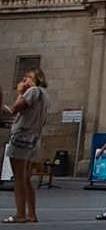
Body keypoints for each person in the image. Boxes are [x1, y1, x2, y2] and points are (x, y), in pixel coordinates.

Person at [1, 67, 50, 225]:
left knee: (19, 178)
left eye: (28, 77)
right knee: (26, 178)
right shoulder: (45, 95)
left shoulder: (33, 91)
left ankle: (20, 214)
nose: (24, 81)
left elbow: (14, 110)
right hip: (33, 138)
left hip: (22, 137)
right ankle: (31, 214)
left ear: (36, 79)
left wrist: (19, 92)